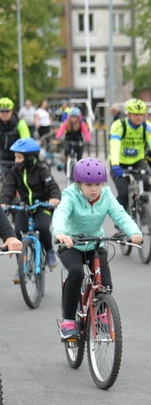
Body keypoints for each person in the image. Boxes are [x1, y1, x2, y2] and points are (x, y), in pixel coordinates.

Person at [51, 158, 141, 340]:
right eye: (89, 184)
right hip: (71, 244)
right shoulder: (71, 195)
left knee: (105, 284)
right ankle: (68, 320)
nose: (94, 189)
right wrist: (60, 233)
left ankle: (100, 314)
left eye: (98, 184)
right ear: (78, 184)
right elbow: (61, 214)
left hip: (95, 244)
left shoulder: (106, 196)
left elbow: (120, 215)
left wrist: (134, 232)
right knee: (76, 273)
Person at [0, 138, 61, 274]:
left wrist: (54, 198)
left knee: (42, 227)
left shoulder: (41, 170)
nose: (16, 160)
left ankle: (50, 251)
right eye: (15, 157)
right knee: (16, 233)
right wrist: (4, 201)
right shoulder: (14, 172)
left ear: (29, 158)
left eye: (19, 157)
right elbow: (8, 189)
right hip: (24, 207)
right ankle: (21, 267)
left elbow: (52, 186)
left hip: (42, 206)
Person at [109, 98, 151, 209]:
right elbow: (114, 146)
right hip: (120, 162)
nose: (139, 117)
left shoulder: (148, 127)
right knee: (123, 193)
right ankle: (120, 219)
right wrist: (115, 165)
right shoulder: (119, 126)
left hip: (138, 161)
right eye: (135, 114)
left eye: (141, 114)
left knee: (147, 184)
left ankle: (143, 210)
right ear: (128, 114)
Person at [0, 97, 32, 178]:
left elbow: (26, 141)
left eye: (7, 111)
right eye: (2, 111)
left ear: (12, 111)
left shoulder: (20, 123)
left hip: (18, 158)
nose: (4, 114)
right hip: (2, 158)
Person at [54, 106, 91, 176]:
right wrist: (58, 137)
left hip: (78, 141)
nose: (73, 119)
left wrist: (87, 140)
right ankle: (66, 164)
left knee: (79, 157)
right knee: (67, 151)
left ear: (78, 118)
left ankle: (79, 171)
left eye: (75, 117)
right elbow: (61, 130)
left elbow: (86, 132)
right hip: (68, 140)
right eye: (72, 117)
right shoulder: (66, 123)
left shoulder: (81, 123)